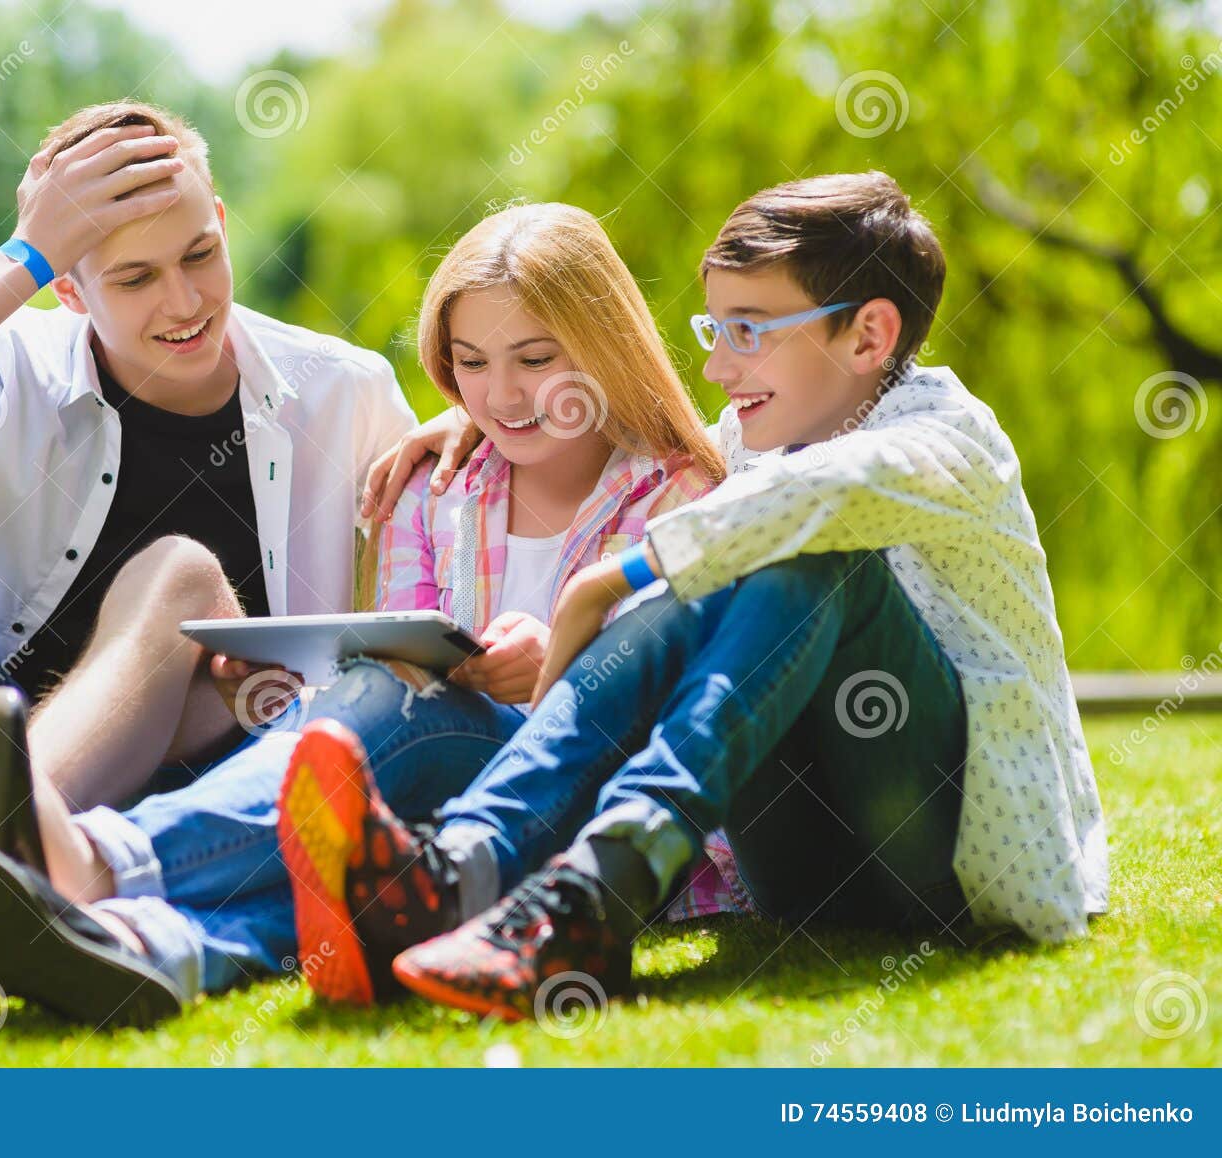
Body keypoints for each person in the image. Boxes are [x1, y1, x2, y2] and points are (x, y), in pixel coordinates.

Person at [281, 171, 1110, 1021]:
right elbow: (627, 429)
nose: (717, 366)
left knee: (811, 560)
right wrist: (474, 413)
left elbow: (824, 493)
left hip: (951, 860)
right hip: (801, 874)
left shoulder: (950, 437)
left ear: (869, 336)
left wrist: (609, 579)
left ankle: (588, 896)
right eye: (717, 329)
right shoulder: (753, 446)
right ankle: (460, 872)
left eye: (749, 332)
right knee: (726, 576)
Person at [0, 201, 729, 1027]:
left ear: (604, 344)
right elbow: (402, 651)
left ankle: (100, 856)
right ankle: (150, 941)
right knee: (367, 753)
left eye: (536, 358)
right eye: (471, 362)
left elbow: (690, 717)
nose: (501, 394)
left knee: (407, 705)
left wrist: (557, 664)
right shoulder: (433, 492)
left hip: (570, 816)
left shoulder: (686, 495)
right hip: (420, 825)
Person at [0, 99, 475, 1017]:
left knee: (181, 573)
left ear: (221, 228)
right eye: (134, 278)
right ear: (70, 288)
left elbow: (442, 576)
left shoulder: (344, 389)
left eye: (200, 256)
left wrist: (483, 430)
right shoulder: (17, 357)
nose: (184, 302)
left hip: (203, 759)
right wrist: (21, 254)